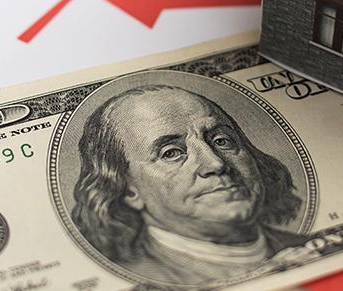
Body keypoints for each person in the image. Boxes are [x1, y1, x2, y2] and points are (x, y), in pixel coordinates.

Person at [71, 84, 306, 286]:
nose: (214, 163)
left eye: (222, 141)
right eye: (171, 153)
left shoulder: (308, 246)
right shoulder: (142, 277)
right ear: (127, 188)